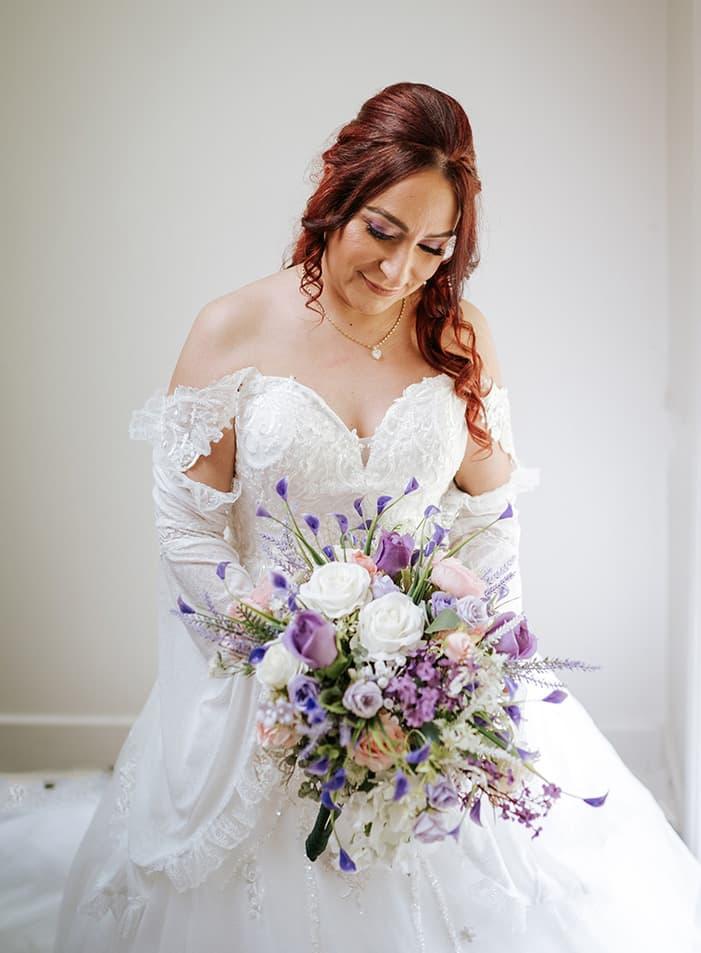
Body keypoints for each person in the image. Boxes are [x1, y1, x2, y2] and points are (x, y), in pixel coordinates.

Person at [53, 81, 701, 952]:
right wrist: (284, 645)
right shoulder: (232, 327)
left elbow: (487, 518)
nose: (400, 273)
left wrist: (461, 658)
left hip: (427, 674)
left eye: (433, 248)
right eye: (381, 232)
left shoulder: (457, 336)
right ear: (337, 197)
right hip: (268, 677)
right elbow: (188, 530)